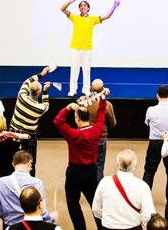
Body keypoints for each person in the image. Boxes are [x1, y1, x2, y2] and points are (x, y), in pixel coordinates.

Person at [53, 88, 111, 230]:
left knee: (73, 204)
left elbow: (58, 121)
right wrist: (102, 97)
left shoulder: (73, 134)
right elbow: (101, 114)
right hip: (91, 172)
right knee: (95, 204)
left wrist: (68, 108)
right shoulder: (97, 130)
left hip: (74, 172)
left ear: (78, 119)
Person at [60, 0, 120, 97]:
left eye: (85, 5)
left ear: (88, 8)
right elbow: (62, 9)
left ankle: (86, 89)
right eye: (81, 6)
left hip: (87, 49)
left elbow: (107, 16)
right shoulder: (74, 17)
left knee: (86, 70)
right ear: (79, 9)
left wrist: (114, 6)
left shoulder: (92, 19)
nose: (82, 7)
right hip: (75, 48)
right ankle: (72, 90)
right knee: (74, 70)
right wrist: (70, 2)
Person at [92, 149, 155, 229]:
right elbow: (148, 216)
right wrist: (137, 218)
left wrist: (108, 219)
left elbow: (96, 209)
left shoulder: (104, 182)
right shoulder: (143, 186)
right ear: (135, 166)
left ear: (117, 164)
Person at [0, 151, 57, 229]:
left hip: (10, 225)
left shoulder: (1, 182)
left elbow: (0, 212)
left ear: (13, 164)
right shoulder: (37, 183)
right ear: (29, 163)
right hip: (32, 225)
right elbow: (42, 211)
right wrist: (52, 217)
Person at [8, 67, 51, 177]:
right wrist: (45, 91)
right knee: (30, 162)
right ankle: (29, 185)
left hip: (14, 134)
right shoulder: (39, 108)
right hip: (29, 137)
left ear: (28, 90)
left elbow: (27, 81)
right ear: (39, 93)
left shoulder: (21, 96)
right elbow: (46, 105)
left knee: (13, 160)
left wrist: (41, 74)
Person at [143, 85, 168, 193]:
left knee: (149, 172)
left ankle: (144, 199)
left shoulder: (150, 110)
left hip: (154, 144)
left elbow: (147, 123)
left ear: (157, 96)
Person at [80, 79, 116, 182]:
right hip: (100, 138)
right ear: (103, 89)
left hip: (86, 137)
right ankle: (98, 190)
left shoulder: (84, 102)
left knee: (85, 164)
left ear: (90, 89)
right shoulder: (107, 105)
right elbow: (113, 124)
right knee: (99, 166)